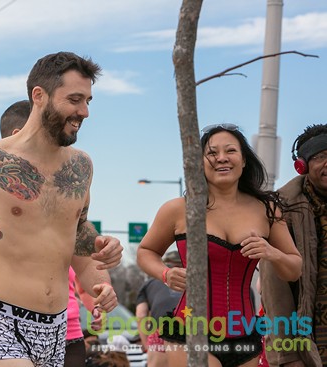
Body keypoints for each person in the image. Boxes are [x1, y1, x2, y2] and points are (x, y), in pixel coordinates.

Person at [0, 51, 123, 367]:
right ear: (39, 96)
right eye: (75, 99)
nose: (84, 111)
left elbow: (78, 234)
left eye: (88, 101)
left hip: (56, 330)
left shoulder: (81, 167)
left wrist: (101, 269)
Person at [137, 124, 302, 367]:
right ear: (200, 162)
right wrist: (166, 273)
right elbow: (145, 251)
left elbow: (294, 269)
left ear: (244, 160)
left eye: (230, 151)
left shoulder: (266, 210)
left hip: (245, 336)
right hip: (189, 332)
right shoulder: (178, 209)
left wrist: (272, 253)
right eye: (212, 153)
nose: (221, 158)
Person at [260, 123, 327, 367]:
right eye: (320, 157)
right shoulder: (282, 210)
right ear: (302, 166)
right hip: (308, 347)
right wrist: (287, 356)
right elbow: (274, 291)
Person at [135, 250, 182, 367]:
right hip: (194, 331)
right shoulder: (200, 282)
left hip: (160, 331)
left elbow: (141, 315)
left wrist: (147, 346)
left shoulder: (149, 284)